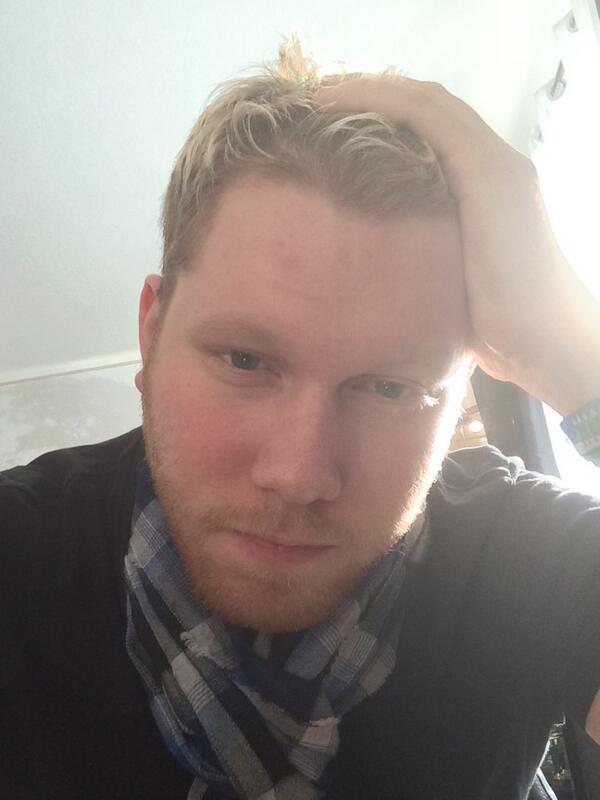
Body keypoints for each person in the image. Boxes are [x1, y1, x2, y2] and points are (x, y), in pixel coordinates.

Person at [2, 40, 600, 800]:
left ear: (459, 401)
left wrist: (576, 353)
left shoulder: (529, 561)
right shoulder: (21, 557)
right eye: (245, 360)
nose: (300, 473)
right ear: (151, 334)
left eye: (388, 387)